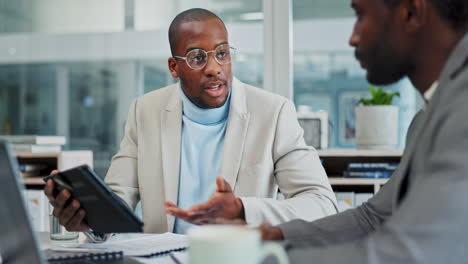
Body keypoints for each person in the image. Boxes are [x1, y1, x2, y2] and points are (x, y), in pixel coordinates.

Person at [44, 8, 338, 236]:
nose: (214, 68)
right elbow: (119, 197)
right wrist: (90, 220)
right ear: (174, 66)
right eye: (198, 58)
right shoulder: (144, 111)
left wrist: (243, 209)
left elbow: (322, 204)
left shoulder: (273, 113)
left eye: (222, 53)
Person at [257, 0, 468, 263]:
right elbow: (375, 217)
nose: (352, 38)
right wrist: (272, 237)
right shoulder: (428, 115)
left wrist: (264, 258)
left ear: (412, 13)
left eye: (360, 16)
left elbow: (408, 254)